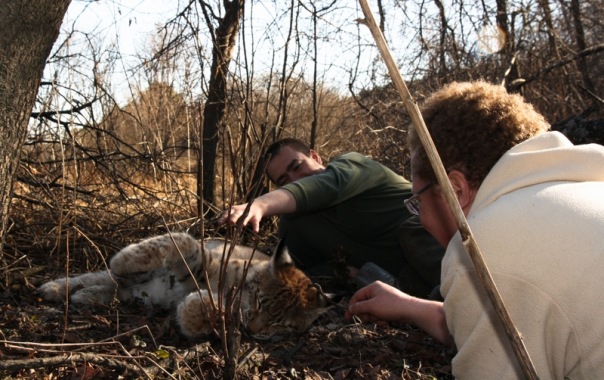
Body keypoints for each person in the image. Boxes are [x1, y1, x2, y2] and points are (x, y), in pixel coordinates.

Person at [345, 81, 604, 378]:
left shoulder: (482, 248)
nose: (420, 217)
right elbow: (519, 325)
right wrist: (408, 306)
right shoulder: (585, 186)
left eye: (418, 200)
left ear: (455, 189)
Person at [218, 138, 445, 298]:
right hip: (408, 278)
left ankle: (460, 297)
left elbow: (324, 186)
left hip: (447, 244)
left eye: (298, 166)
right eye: (284, 180)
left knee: (412, 229)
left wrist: (260, 204)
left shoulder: (352, 165)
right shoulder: (296, 222)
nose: (296, 180)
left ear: (315, 156)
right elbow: (285, 268)